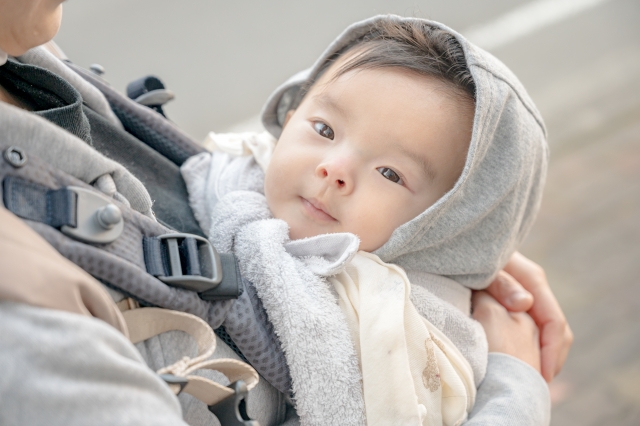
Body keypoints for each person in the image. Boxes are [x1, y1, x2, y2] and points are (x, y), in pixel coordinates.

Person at [0, 1, 571, 425]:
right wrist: (516, 387)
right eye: (323, 130)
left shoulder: (26, 48)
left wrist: (440, 249)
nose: (333, 169)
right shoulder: (27, 339)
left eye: (392, 174)